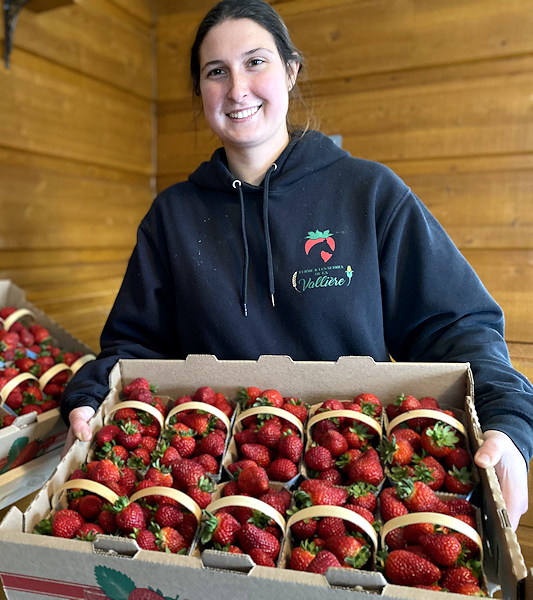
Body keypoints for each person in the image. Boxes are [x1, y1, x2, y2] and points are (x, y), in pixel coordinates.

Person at [60, 0, 532, 529]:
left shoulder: (369, 193)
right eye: (216, 72)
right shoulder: (173, 215)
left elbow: (458, 325)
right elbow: (134, 350)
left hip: (355, 486)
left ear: (290, 70)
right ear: (201, 92)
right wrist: (90, 393)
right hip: (218, 497)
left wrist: (506, 423)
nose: (237, 88)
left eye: (255, 62)